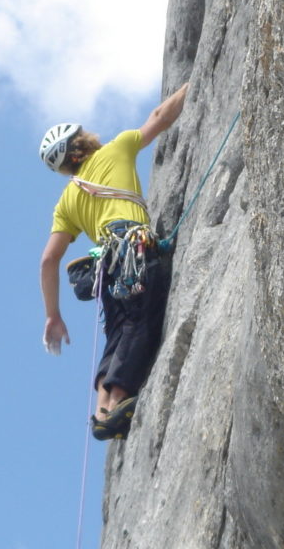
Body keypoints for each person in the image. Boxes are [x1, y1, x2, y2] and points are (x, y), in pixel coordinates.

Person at [39, 82, 189, 440]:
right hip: (134, 251)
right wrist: (190, 83)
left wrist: (52, 315)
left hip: (108, 270)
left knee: (118, 330)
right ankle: (118, 399)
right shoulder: (116, 149)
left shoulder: (67, 202)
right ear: (82, 141)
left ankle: (103, 409)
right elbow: (158, 117)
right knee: (139, 321)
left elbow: (49, 260)